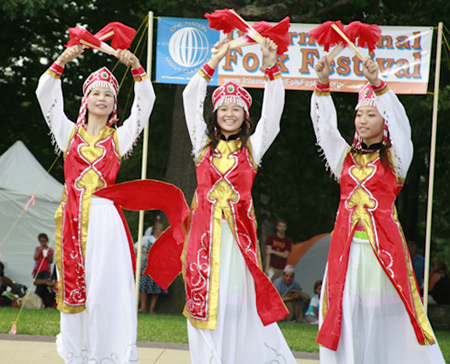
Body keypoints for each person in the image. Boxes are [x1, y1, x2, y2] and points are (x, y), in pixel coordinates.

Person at [310, 56, 445, 363]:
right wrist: (322, 85)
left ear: (383, 120)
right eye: (359, 114)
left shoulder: (395, 161)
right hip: (345, 251)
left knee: (382, 312)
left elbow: (401, 127)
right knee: (343, 309)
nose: (362, 120)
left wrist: (378, 86)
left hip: (381, 251)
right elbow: (325, 130)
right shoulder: (344, 158)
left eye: (371, 114)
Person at [36, 43, 155, 363]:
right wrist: (62, 59)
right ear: (85, 99)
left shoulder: (120, 137)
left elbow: (146, 103)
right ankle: (78, 354)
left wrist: (136, 68)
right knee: (75, 289)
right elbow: (45, 95)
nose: (101, 98)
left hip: (106, 220)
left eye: (108, 94)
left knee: (107, 291)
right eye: (95, 93)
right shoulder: (68, 133)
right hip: (73, 220)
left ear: (115, 104)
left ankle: (111, 353)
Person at [181, 38, 296, 363]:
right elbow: (191, 97)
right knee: (204, 302)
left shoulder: (252, 149)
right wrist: (212, 62)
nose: (229, 114)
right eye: (223, 108)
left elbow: (272, 116)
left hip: (238, 243)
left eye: (236, 109)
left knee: (238, 303)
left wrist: (272, 68)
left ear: (245, 115)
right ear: (214, 113)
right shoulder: (201, 145)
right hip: (203, 241)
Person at [138, 222, 168, 313]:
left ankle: (152, 308)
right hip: (147, 265)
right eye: (160, 230)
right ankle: (143, 307)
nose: (161, 232)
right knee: (143, 285)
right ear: (155, 231)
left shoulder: (163, 241)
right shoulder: (147, 239)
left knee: (156, 288)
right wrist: (146, 254)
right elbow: (137, 246)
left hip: (158, 266)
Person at [32, 233, 55, 307]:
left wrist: (47, 254)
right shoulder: (37, 249)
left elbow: (51, 261)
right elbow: (35, 257)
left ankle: (39, 301)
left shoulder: (50, 250)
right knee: (39, 283)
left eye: (44, 241)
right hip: (38, 270)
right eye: (41, 242)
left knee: (45, 285)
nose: (43, 243)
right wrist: (40, 250)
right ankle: (46, 302)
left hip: (46, 270)